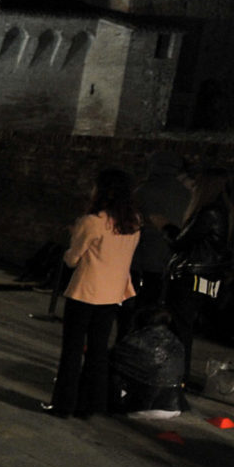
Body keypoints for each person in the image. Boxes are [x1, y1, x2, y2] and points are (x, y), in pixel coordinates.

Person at [47, 168, 142, 418]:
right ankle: (90, 405)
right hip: (112, 294)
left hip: (85, 292)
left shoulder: (92, 221)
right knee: (98, 351)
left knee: (72, 350)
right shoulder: (133, 223)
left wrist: (71, 242)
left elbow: (72, 259)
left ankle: (63, 404)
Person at [166, 167, 234, 384]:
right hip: (204, 276)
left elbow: (180, 242)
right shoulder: (225, 210)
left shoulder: (209, 212)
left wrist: (165, 227)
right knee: (183, 326)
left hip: (191, 275)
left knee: (180, 326)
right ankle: (178, 374)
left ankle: (177, 375)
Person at [128, 150, 190, 325]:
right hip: (168, 257)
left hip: (141, 256)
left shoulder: (143, 191)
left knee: (134, 304)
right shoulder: (186, 195)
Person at [112, 307, 186, 419]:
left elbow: (112, 360)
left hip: (144, 408)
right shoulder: (176, 342)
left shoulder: (136, 341)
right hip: (176, 407)